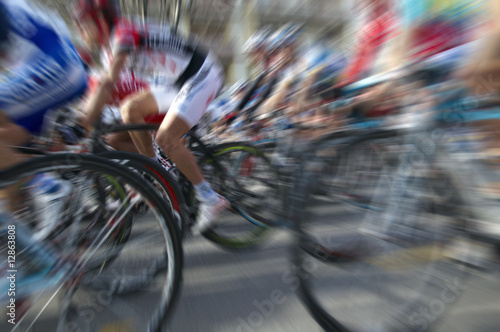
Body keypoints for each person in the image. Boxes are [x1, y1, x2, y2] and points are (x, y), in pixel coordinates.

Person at [73, 0, 228, 234]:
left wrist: (81, 124)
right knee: (129, 109)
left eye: (84, 25)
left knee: (167, 137)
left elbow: (106, 85)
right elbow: (112, 93)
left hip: (202, 74)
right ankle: (156, 168)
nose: (80, 32)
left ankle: (210, 198)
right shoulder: (108, 52)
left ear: (101, 19)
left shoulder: (123, 32)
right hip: (176, 83)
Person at [0, 0, 88, 240]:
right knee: (7, 166)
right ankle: (26, 255)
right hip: (50, 67)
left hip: (55, 66)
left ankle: (46, 187)